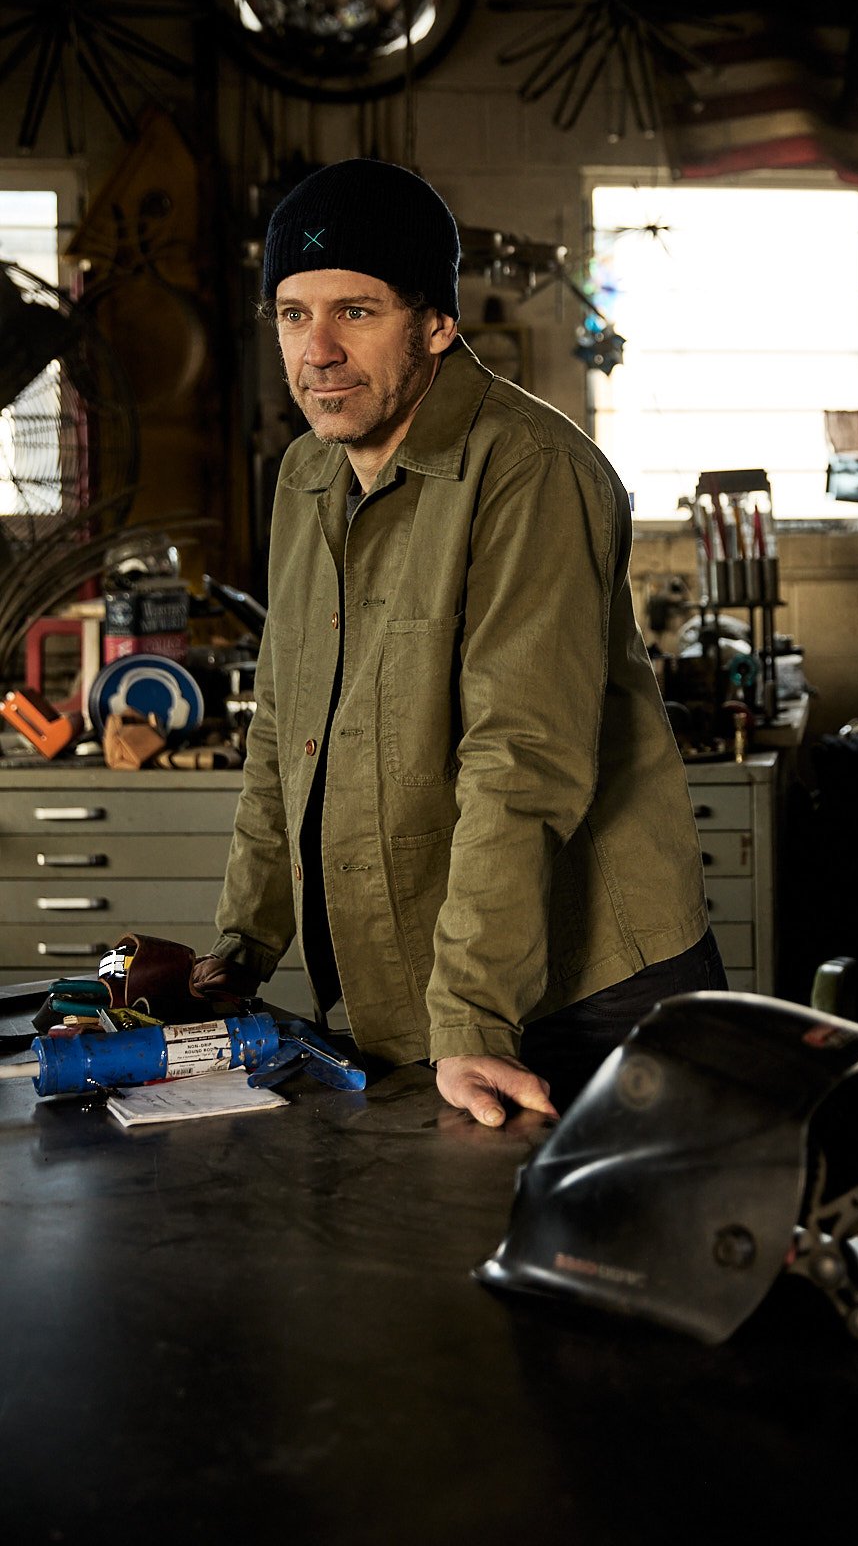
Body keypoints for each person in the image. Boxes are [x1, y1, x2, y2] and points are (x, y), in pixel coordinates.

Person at [194, 158, 720, 1124]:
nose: (318, 351)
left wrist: (473, 1017)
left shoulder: (534, 470)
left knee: (607, 1226)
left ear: (437, 323)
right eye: (293, 314)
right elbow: (285, 730)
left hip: (585, 988)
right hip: (432, 983)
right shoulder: (307, 476)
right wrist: (241, 948)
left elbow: (521, 758)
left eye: (356, 311)